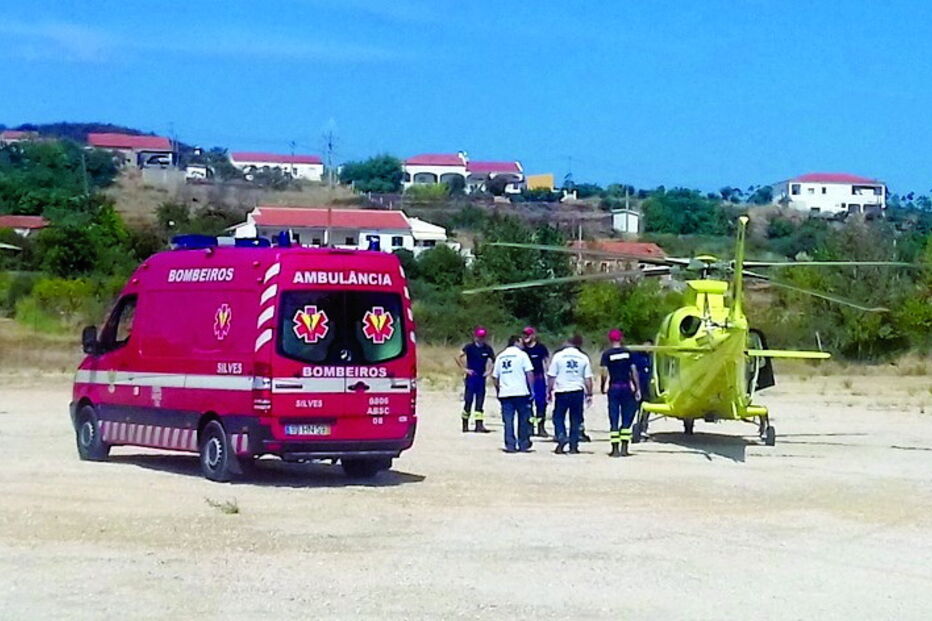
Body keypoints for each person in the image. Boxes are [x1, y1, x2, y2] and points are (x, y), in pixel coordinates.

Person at [547, 334, 594, 454]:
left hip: (562, 390)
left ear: (568, 342)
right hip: (577, 390)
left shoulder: (558, 356)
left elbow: (552, 375)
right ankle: (574, 445)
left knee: (558, 417)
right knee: (576, 419)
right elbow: (588, 378)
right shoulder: (583, 357)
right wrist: (589, 394)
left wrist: (549, 390)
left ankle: (561, 435)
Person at [600, 329, 642, 457]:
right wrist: (637, 387)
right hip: (626, 387)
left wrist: (603, 386)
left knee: (614, 417)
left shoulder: (607, 354)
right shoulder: (628, 353)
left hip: (614, 387)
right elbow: (633, 371)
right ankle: (624, 447)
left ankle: (615, 449)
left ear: (610, 339)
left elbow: (604, 372)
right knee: (626, 417)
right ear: (621, 338)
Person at [492, 335, 535, 453]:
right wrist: (532, 389)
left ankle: (510, 444)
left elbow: (495, 377)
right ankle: (523, 443)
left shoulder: (500, 356)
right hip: (521, 392)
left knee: (508, 420)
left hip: (505, 393)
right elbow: (529, 373)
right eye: (521, 342)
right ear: (516, 342)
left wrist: (498, 390)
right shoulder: (522, 355)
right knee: (523, 419)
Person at [456, 327, 495, 433]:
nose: (481, 339)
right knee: (468, 400)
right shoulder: (469, 347)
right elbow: (458, 357)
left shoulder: (487, 348)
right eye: (479, 337)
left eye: (483, 337)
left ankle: (479, 425)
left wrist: (489, 371)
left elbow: (493, 360)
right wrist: (465, 369)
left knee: (480, 401)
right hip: (471, 377)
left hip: (481, 377)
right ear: (475, 336)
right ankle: (465, 423)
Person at [521, 326, 550, 438]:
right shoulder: (522, 349)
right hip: (525, 378)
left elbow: (546, 362)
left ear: (534, 335)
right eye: (524, 334)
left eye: (528, 334)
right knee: (527, 403)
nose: (526, 336)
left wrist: (549, 377)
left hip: (539, 378)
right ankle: (529, 427)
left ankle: (541, 426)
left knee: (541, 402)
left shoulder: (541, 348)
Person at [632, 339, 654, 405]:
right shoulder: (636, 355)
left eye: (650, 346)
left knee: (647, 402)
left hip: (647, 383)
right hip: (638, 382)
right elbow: (633, 369)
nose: (648, 348)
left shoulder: (650, 357)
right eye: (647, 345)